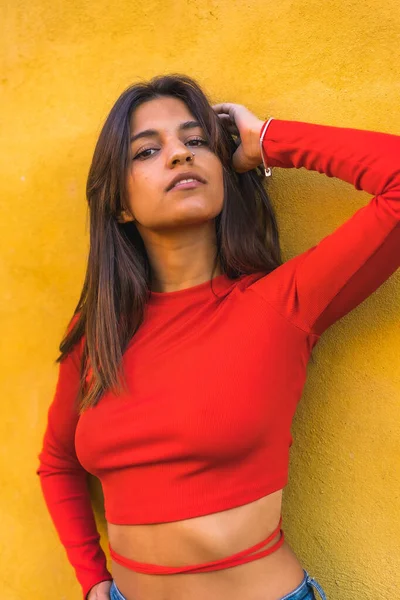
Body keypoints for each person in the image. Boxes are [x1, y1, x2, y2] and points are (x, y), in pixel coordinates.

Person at [36, 73, 400, 600]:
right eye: (146, 151)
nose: (180, 155)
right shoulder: (98, 330)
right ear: (119, 203)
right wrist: (93, 581)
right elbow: (58, 462)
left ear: (223, 171)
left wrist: (267, 140)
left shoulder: (283, 303)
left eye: (197, 140)